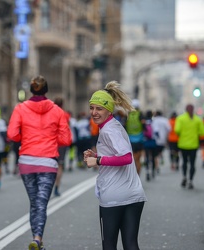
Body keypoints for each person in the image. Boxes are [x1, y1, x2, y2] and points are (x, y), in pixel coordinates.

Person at [7, 75, 72, 250]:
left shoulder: (20, 108)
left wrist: (26, 138)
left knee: (34, 202)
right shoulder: (57, 111)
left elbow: (12, 135)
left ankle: (37, 239)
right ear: (46, 90)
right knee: (41, 203)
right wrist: (49, 137)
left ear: (31, 90)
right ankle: (37, 238)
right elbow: (66, 139)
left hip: (27, 161)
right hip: (47, 162)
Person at [84, 81, 147, 250]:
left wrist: (98, 161)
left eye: (99, 109)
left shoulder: (108, 130)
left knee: (109, 245)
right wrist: (96, 155)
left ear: (109, 110)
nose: (94, 113)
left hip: (114, 197)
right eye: (92, 108)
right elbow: (118, 154)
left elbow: (126, 157)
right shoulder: (114, 126)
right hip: (134, 195)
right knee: (131, 244)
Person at [175, 104, 204, 189]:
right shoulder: (197, 119)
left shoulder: (180, 118)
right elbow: (203, 132)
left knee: (184, 162)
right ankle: (190, 180)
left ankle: (184, 177)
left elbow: (177, 130)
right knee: (192, 163)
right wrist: (195, 133)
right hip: (193, 145)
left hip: (183, 144)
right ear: (193, 110)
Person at [53, 97, 71, 196]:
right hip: (62, 143)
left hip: (51, 142)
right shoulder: (66, 115)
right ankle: (57, 187)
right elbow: (67, 128)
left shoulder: (50, 114)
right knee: (60, 165)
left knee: (50, 164)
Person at [125, 99, 145, 175]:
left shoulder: (128, 115)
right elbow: (144, 127)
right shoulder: (140, 115)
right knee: (138, 160)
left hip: (130, 140)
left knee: (132, 159)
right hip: (139, 139)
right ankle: (138, 176)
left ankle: (133, 175)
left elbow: (124, 127)